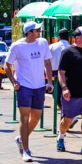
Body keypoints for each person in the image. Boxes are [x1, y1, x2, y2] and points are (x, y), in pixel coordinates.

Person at [4, 21, 53, 162]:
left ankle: (21, 138)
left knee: (36, 118)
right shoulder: (17, 46)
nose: (40, 32)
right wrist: (14, 82)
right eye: (37, 30)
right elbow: (7, 65)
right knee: (24, 119)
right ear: (30, 32)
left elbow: (47, 63)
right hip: (24, 87)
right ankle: (26, 150)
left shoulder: (43, 43)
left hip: (39, 86)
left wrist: (49, 81)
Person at [57, 26, 82, 155]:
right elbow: (61, 72)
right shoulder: (67, 52)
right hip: (72, 93)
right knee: (68, 120)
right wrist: (64, 88)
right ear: (78, 37)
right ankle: (61, 137)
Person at [49, 28, 70, 109]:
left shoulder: (52, 47)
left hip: (55, 74)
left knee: (56, 94)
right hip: (68, 74)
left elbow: (47, 61)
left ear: (58, 37)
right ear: (68, 37)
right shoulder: (71, 47)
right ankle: (66, 111)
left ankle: (63, 110)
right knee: (67, 93)